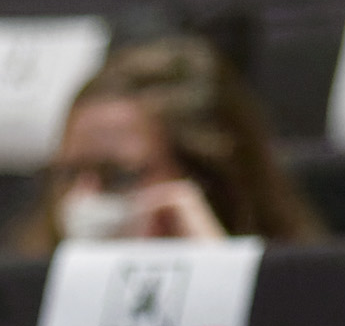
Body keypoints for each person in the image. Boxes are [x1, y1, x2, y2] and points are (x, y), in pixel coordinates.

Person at [29, 35, 321, 251]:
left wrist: (215, 267)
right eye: (67, 174)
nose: (81, 198)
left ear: (208, 179)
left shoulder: (298, 292)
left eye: (118, 176)